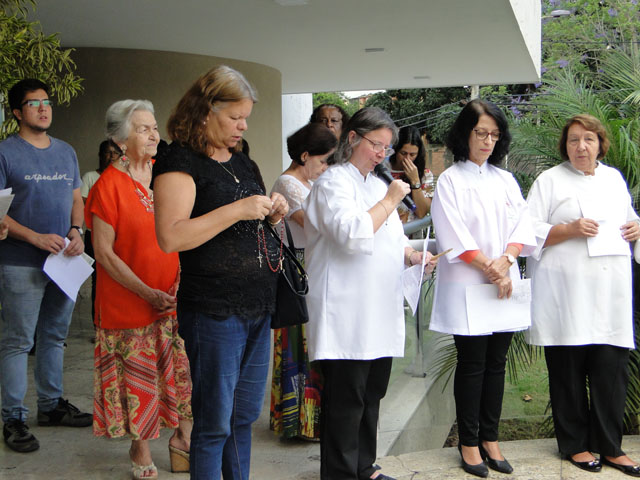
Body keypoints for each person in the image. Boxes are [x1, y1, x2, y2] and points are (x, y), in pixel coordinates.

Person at [152, 65, 288, 480]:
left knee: (243, 418)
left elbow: (249, 224)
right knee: (213, 424)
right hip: (213, 310)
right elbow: (171, 237)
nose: (243, 125)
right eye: (235, 117)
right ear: (205, 110)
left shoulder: (243, 160)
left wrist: (272, 213)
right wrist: (238, 209)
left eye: (246, 117)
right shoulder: (179, 159)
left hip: (258, 306)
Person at [304, 107, 435, 480]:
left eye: (386, 147)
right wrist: (391, 199)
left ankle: (365, 467)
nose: (382, 153)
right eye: (376, 144)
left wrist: (412, 256)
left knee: (371, 395)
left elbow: (391, 239)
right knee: (346, 401)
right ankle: (341, 473)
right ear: (352, 138)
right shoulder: (333, 183)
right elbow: (352, 234)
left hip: (379, 308)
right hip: (346, 311)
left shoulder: (377, 186)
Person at [526, 114, 640, 476]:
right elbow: (527, 232)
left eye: (588, 139)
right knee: (568, 371)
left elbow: (629, 220)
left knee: (611, 372)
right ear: (565, 146)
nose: (581, 146)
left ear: (600, 144)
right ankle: (575, 445)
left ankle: (611, 447)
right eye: (574, 140)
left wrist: (636, 227)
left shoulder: (613, 179)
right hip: (566, 293)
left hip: (609, 292)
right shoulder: (549, 180)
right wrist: (569, 229)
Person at [86, 100, 192, 480]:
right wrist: (147, 292)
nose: (153, 135)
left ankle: (183, 438)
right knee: (139, 380)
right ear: (120, 139)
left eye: (154, 127)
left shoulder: (166, 175)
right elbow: (104, 254)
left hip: (173, 297)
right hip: (128, 304)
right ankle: (140, 446)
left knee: (181, 372)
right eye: (142, 129)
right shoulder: (107, 186)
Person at [429, 99, 536, 477]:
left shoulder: (505, 179)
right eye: (480, 133)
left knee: (497, 363)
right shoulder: (450, 180)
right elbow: (452, 233)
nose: (488, 141)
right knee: (473, 364)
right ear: (465, 134)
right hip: (468, 282)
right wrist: (491, 268)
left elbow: (523, 225)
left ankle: (491, 438)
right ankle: (469, 442)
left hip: (504, 280)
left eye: (494, 134)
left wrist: (506, 261)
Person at [0, 78, 92, 454]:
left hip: (63, 262)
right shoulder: (5, 152)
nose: (43, 108)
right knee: (18, 342)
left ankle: (51, 407)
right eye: (33, 103)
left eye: (47, 102)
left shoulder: (66, 151)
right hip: (20, 262)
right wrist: (35, 238)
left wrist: (76, 230)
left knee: (54, 336)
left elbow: (76, 199)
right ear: (17, 112)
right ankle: (13, 418)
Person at [269, 122, 337, 441]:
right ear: (305, 155)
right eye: (323, 161)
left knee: (309, 343)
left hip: (308, 267)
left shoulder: (306, 183)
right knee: (300, 344)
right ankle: (302, 422)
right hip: (298, 270)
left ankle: (307, 421)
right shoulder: (288, 183)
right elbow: (314, 226)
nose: (325, 168)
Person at [81, 140, 121, 324]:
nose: (111, 156)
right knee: (98, 281)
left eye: (115, 153)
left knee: (118, 280)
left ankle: (115, 323)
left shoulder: (123, 177)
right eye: (107, 152)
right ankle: (98, 323)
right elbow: (85, 205)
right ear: (100, 155)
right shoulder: (90, 177)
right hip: (95, 236)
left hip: (118, 237)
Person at [385, 126, 433, 222]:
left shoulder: (425, 174)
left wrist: (415, 181)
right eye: (403, 153)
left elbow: (421, 212)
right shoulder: (383, 170)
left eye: (412, 155)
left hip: (411, 228)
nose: (407, 159)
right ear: (396, 150)